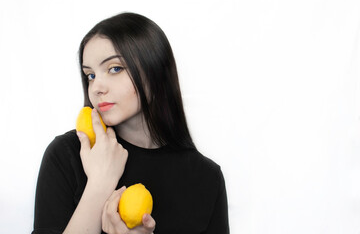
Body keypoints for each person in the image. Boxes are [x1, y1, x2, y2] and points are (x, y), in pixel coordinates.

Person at [32, 12, 229, 234]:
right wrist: (99, 183)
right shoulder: (67, 154)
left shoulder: (206, 178)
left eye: (115, 68)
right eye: (90, 75)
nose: (96, 87)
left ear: (155, 72)